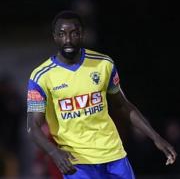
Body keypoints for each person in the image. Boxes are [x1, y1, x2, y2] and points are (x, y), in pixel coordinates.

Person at [27, 10, 177, 179]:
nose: (68, 39)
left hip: (114, 156)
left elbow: (123, 105)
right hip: (77, 162)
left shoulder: (103, 64)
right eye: (62, 34)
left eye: (74, 33)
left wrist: (156, 137)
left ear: (82, 34)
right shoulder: (41, 77)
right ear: (54, 36)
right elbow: (33, 127)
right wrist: (54, 153)